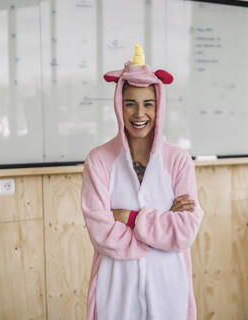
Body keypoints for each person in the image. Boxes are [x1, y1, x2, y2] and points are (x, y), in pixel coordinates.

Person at [81, 44, 204, 320]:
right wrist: (163, 227)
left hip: (168, 283)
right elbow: (103, 235)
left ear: (158, 107)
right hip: (116, 286)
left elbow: (184, 233)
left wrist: (133, 219)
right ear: (118, 106)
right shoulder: (98, 161)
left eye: (148, 104)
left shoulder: (178, 160)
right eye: (130, 104)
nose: (140, 114)